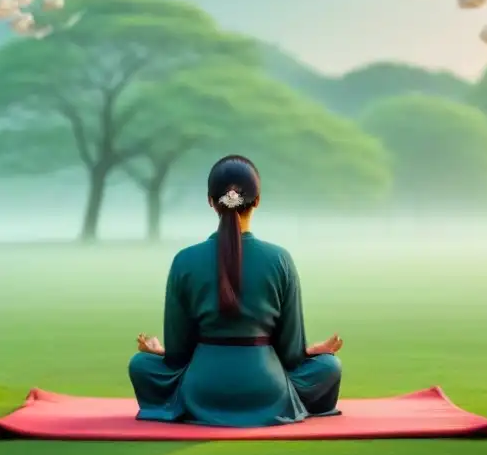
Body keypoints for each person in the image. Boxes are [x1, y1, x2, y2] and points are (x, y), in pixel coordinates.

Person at [128, 154, 344, 427]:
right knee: (328, 367)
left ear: (210, 201)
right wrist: (311, 351)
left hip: (201, 390)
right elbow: (290, 354)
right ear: (258, 200)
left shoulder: (184, 260)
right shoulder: (280, 259)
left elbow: (179, 354)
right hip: (268, 389)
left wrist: (160, 351)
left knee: (141, 364)